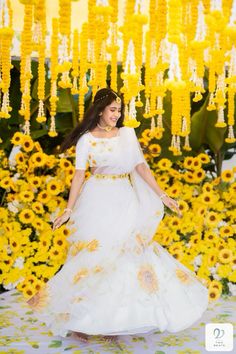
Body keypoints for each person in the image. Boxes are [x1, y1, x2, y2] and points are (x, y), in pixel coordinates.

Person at [27, 88, 209, 345]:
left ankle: (115, 320)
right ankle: (80, 320)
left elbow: (141, 166)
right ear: (99, 110)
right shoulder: (86, 140)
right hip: (96, 198)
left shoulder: (127, 134)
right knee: (93, 256)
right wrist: (68, 209)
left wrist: (162, 195)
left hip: (125, 197)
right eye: (112, 109)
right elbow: (79, 175)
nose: (117, 114)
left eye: (119, 110)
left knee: (126, 255)